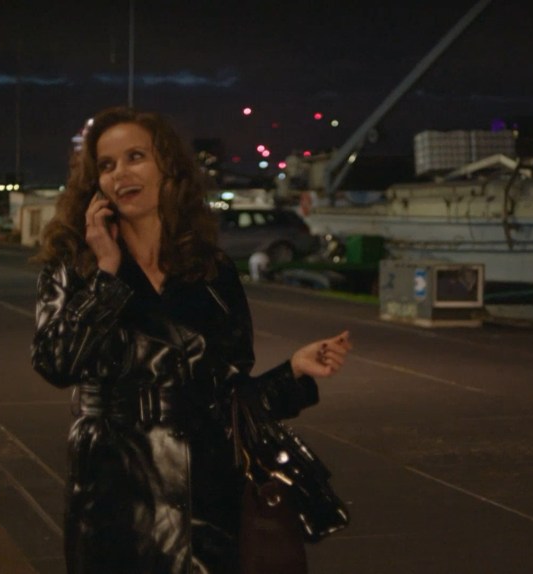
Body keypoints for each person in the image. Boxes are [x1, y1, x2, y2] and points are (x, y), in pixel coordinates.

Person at [31, 106, 352, 574]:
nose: (121, 173)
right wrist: (106, 273)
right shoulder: (74, 266)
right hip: (116, 501)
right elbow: (55, 363)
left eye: (136, 156)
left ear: (168, 167)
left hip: (208, 502)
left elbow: (230, 399)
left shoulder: (210, 269)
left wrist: (294, 372)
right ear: (95, 184)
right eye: (106, 164)